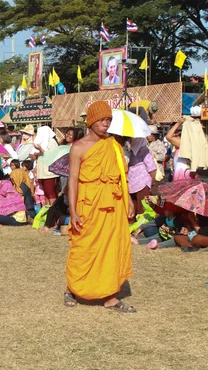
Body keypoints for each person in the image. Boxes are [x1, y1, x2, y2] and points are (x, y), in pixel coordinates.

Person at [65, 101, 136, 312]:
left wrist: (129, 200)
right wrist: (73, 209)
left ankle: (110, 296)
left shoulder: (114, 144)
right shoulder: (78, 147)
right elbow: (73, 180)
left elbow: (122, 177)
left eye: (108, 120)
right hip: (88, 203)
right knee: (83, 246)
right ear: (91, 121)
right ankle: (71, 288)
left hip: (112, 203)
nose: (105, 124)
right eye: (102, 120)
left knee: (110, 248)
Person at [128, 138, 157, 216]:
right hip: (131, 185)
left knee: (143, 210)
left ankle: (141, 227)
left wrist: (151, 182)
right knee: (133, 209)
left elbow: (152, 169)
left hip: (142, 184)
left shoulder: (144, 150)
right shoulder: (131, 151)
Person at [32, 126, 59, 205]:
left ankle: (53, 211)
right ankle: (48, 212)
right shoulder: (44, 143)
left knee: (50, 193)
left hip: (49, 174)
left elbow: (52, 156)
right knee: (46, 194)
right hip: (43, 173)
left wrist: (40, 149)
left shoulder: (51, 142)